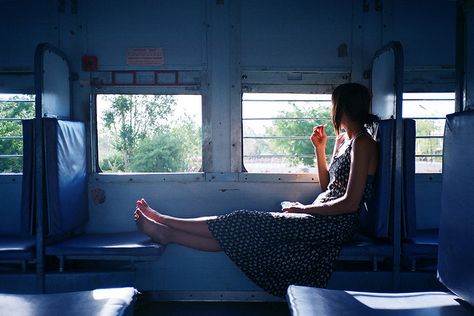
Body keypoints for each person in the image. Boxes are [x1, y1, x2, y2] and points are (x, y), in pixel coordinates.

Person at [134, 82, 379, 297]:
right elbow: (328, 186)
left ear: (341, 108)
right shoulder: (345, 140)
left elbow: (349, 203)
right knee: (240, 234)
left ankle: (166, 221)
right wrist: (320, 149)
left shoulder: (363, 143)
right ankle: (169, 232)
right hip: (323, 215)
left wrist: (305, 209)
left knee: (241, 221)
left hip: (336, 223)